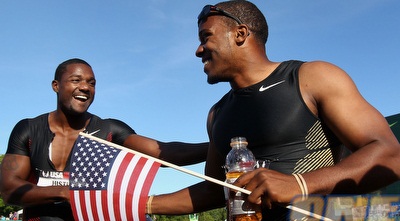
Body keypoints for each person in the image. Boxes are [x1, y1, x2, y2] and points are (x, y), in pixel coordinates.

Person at [147, 1, 400, 220]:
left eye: (206, 38)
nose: (198, 50)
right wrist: (139, 204)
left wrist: (300, 184)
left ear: (240, 34)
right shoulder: (217, 113)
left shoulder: (311, 78)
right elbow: (214, 189)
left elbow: (390, 155)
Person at [0, 58, 208, 221]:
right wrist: (66, 193)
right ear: (56, 85)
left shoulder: (109, 131)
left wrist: (220, 146)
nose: (85, 87)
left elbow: (166, 154)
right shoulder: (28, 129)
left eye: (92, 83)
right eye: (76, 80)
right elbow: (9, 189)